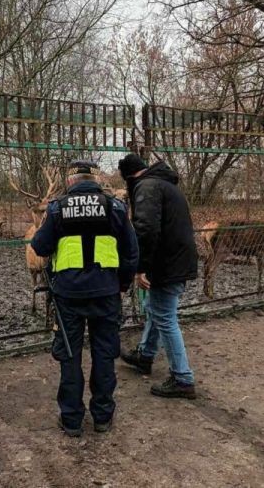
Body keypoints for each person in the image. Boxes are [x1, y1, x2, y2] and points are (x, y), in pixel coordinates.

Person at [31, 160, 139, 437]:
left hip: (68, 295)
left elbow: (40, 246)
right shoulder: (115, 207)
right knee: (104, 353)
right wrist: (123, 284)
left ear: (70, 182)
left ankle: (72, 420)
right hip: (106, 292)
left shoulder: (57, 208)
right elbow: (131, 252)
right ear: (97, 179)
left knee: (70, 355)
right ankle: (102, 416)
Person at [118, 153, 198, 399]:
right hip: (176, 258)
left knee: (165, 316)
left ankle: (183, 379)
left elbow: (146, 229)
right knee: (155, 307)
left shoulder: (146, 188)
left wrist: (140, 268)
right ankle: (145, 355)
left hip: (167, 263)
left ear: (129, 176)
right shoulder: (164, 184)